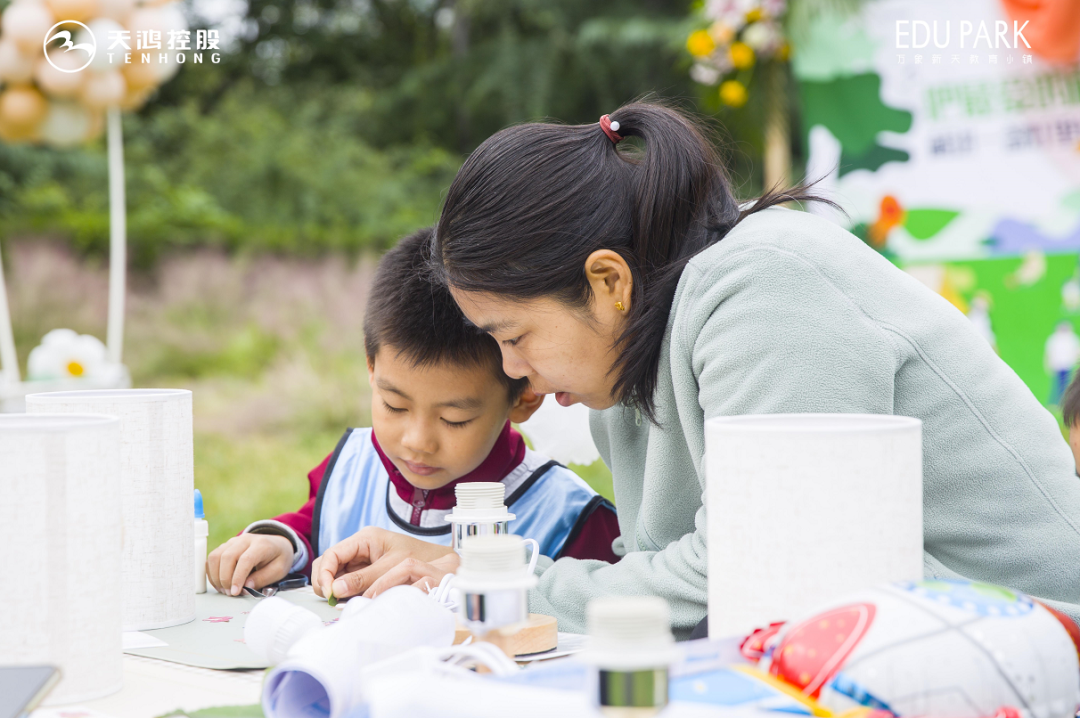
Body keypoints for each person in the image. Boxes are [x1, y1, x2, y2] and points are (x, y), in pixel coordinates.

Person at [311, 103, 1080, 637]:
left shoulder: (766, 285)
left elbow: (754, 567)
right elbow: (661, 574)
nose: (518, 374)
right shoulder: (630, 355)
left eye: (513, 336)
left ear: (608, 282)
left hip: (1031, 644)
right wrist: (463, 568)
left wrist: (475, 585)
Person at [206, 228, 619, 597]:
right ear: (371, 367)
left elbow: (612, 602)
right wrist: (280, 543)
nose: (416, 441)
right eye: (394, 405)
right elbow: (314, 526)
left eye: (454, 419)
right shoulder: (353, 465)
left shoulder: (567, 517)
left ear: (525, 396)